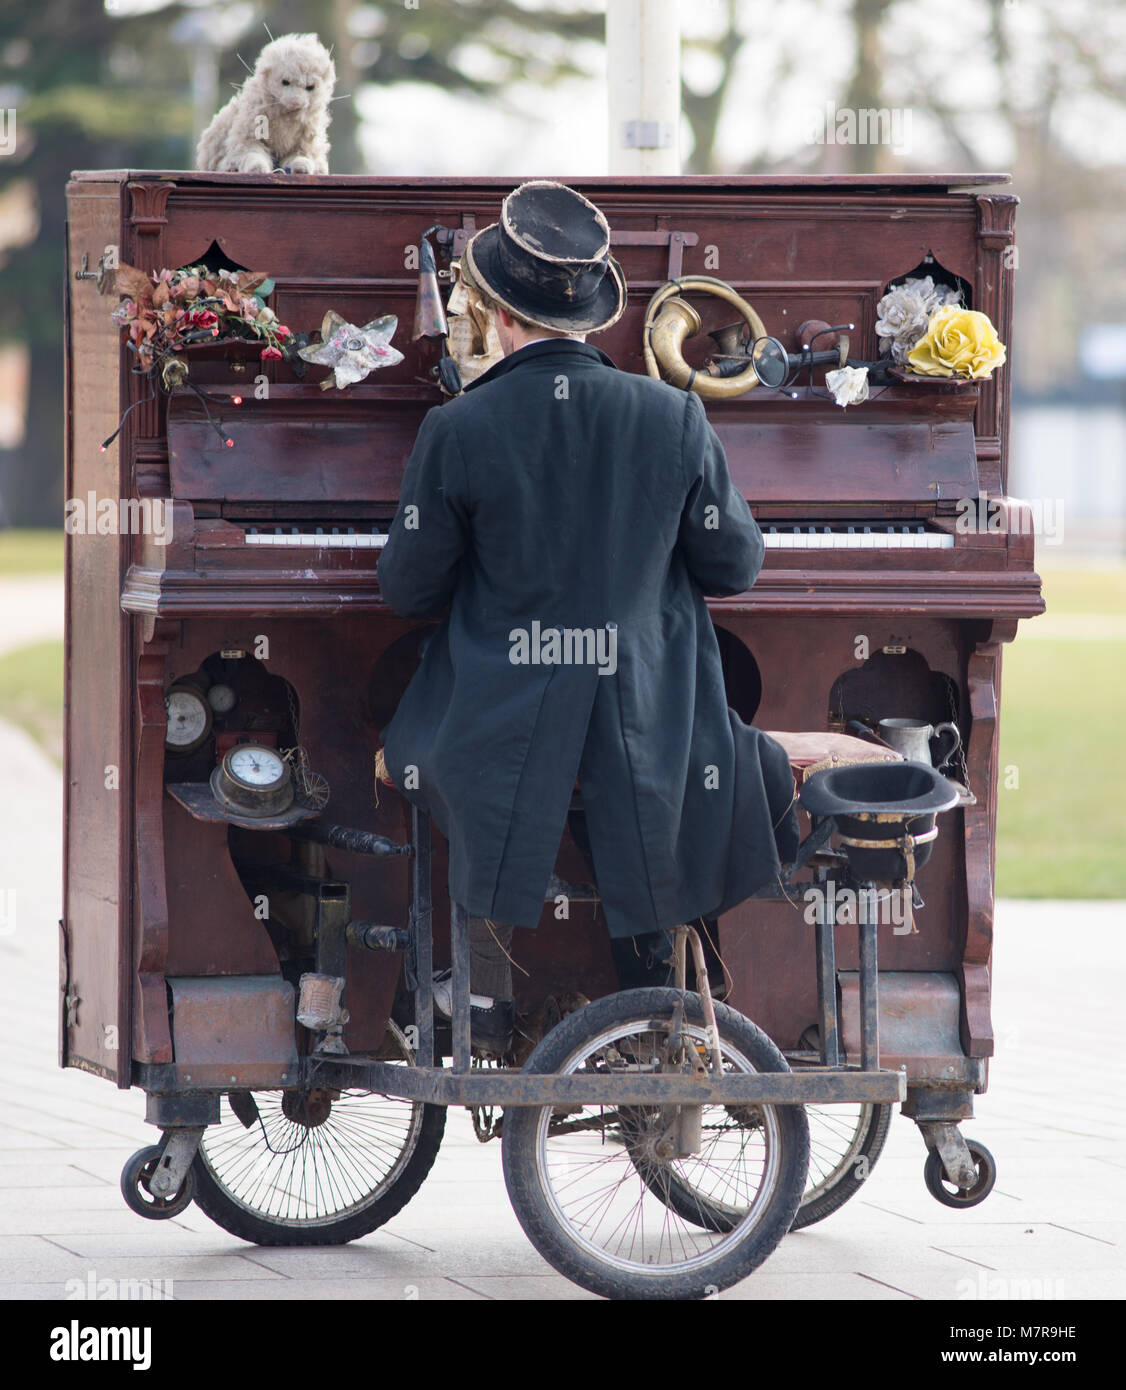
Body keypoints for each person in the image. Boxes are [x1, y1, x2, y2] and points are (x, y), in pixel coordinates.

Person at [377, 180, 798, 1053]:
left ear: (494, 315)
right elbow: (737, 565)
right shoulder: (675, 413)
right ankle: (653, 1001)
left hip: (497, 722)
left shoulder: (457, 427)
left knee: (445, 758)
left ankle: (483, 997)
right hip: (648, 717)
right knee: (647, 771)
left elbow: (408, 591)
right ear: (601, 318)